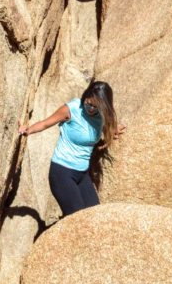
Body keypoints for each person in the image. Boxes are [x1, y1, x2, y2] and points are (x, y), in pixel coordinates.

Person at [18, 80, 126, 217]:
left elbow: (105, 127)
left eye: (95, 106)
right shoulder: (72, 109)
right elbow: (45, 124)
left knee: (95, 215)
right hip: (62, 172)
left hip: (82, 174)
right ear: (85, 96)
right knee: (78, 218)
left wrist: (113, 130)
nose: (91, 108)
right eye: (89, 103)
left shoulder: (101, 115)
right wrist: (28, 130)